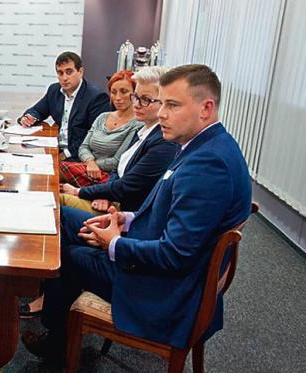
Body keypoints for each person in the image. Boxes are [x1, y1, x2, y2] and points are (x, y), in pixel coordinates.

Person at [21, 64, 252, 357]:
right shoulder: (205, 145)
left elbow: (175, 255)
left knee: (70, 256)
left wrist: (114, 243)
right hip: (153, 248)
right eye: (162, 103)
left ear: (206, 108)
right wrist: (126, 219)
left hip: (166, 290)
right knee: (67, 223)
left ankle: (56, 342)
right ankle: (56, 318)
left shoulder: (208, 166)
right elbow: (169, 212)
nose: (162, 113)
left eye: (172, 105)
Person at [60, 66, 179, 213]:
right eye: (136, 97)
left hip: (123, 212)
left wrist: (79, 192)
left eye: (145, 100)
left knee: (58, 201)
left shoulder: (163, 142)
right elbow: (118, 170)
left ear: (165, 103)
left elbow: (127, 185)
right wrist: (104, 195)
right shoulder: (144, 130)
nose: (136, 104)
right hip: (110, 194)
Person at [18, 51, 111, 162]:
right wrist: (29, 117)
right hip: (56, 148)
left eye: (69, 72)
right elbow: (37, 110)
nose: (64, 78)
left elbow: (93, 137)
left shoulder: (96, 97)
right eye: (60, 73)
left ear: (80, 72)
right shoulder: (54, 90)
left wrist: (65, 155)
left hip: (79, 156)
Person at [59, 70, 142, 186]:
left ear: (135, 94)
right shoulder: (102, 117)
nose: (118, 97)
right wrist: (90, 162)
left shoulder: (138, 124)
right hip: (86, 166)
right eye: (113, 92)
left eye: (124, 92)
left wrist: (93, 165)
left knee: (55, 170)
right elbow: (84, 146)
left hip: (109, 176)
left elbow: (117, 161)